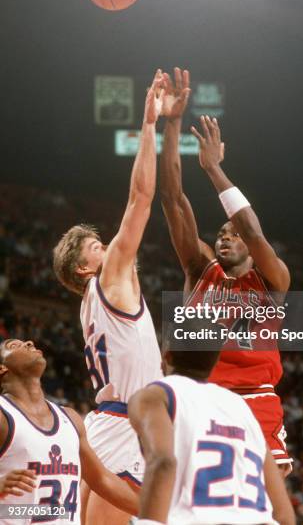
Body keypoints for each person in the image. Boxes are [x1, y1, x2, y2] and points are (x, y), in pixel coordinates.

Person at [160, 69, 292, 474]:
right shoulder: (201, 269)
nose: (226, 237)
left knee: (259, 499)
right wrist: (173, 123)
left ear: (251, 249)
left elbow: (252, 228)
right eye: (221, 233)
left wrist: (214, 170)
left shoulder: (273, 280)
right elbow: (171, 198)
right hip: (200, 390)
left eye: (233, 235)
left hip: (255, 396)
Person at [53, 70, 165, 524]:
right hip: (120, 425)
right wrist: (150, 124)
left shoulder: (89, 305)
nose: (111, 247)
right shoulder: (109, 278)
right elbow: (141, 197)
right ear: (85, 268)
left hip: (111, 420)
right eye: (97, 247)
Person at [127, 318, 295, 525]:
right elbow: (284, 514)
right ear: (215, 362)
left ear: (166, 355)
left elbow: (163, 462)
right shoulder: (241, 408)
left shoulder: (156, 396)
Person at [0, 338, 140, 524]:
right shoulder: (3, 416)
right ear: (2, 369)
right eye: (13, 345)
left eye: (28, 343)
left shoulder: (70, 418)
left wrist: (162, 511)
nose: (28, 343)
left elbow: (102, 480)